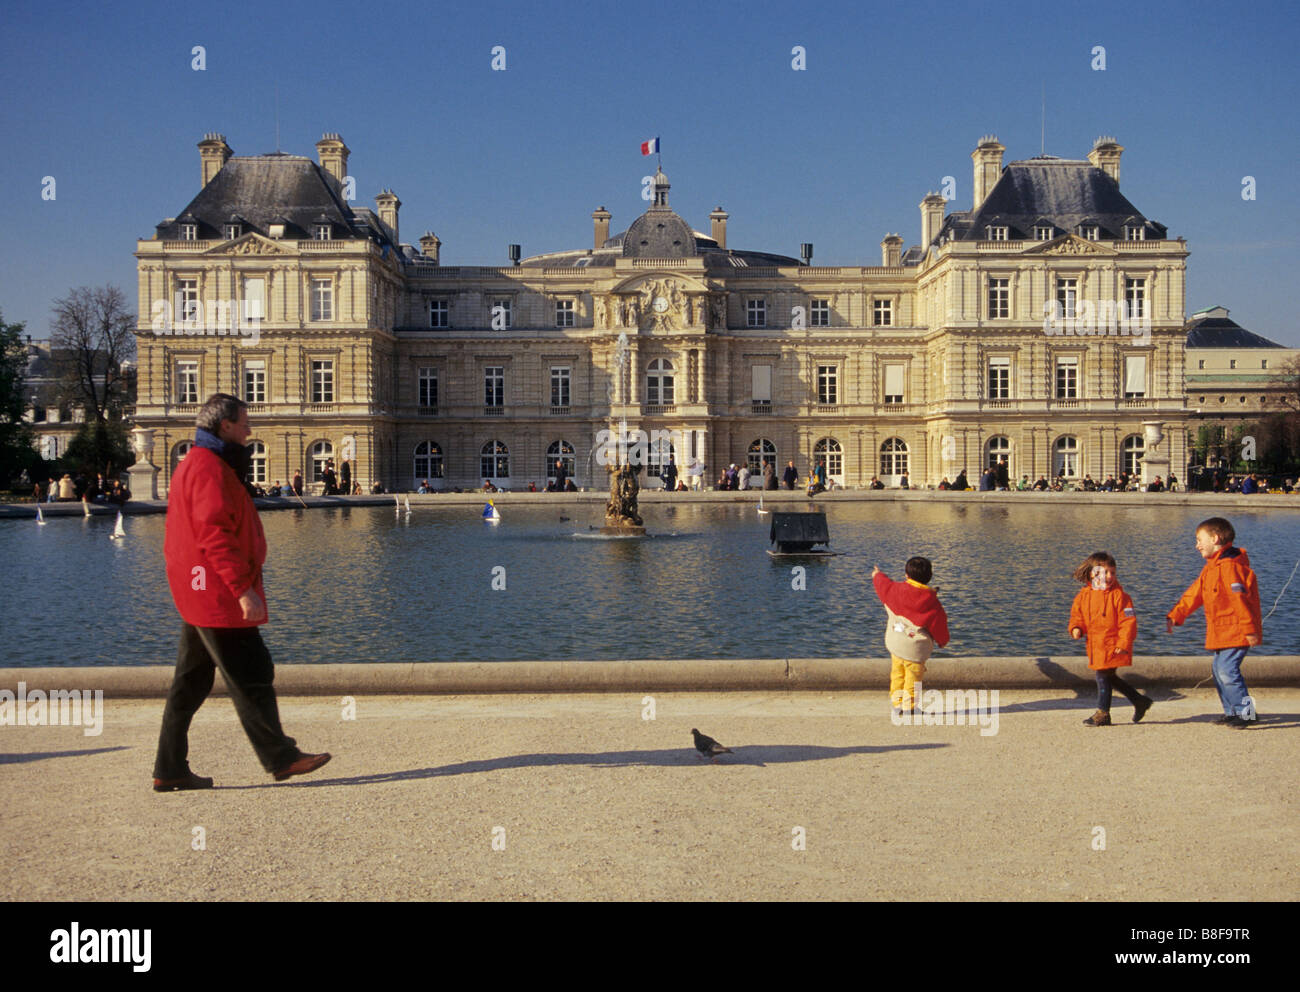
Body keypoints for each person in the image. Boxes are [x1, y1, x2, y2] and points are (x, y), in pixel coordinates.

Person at [153, 394, 331, 791]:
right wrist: (242, 590)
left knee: (190, 684)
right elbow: (214, 534)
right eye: (244, 422)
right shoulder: (208, 467)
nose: (250, 429)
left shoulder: (200, 463)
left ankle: (169, 768)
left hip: (200, 590)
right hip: (217, 594)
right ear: (225, 425)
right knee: (253, 674)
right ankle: (282, 758)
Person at [1165, 517, 1263, 728]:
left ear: (1215, 539)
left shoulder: (1229, 568)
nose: (1196, 545)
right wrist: (1176, 614)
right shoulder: (1212, 568)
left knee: (1227, 671)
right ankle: (1232, 712)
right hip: (1222, 631)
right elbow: (1195, 594)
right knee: (1220, 671)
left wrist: (1250, 630)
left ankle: (1247, 713)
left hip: (1236, 631)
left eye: (1200, 539)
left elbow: (1240, 602)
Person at [1069, 552, 1152, 726]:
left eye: (1112, 573)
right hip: (1096, 644)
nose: (1109, 577)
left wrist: (1123, 643)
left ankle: (1103, 713)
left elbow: (1128, 623)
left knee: (1102, 676)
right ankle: (1139, 700)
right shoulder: (1084, 596)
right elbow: (1078, 616)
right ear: (1092, 574)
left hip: (1113, 644)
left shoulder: (1120, 597)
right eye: (1104, 572)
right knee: (1109, 677)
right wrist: (1076, 628)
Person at [871, 557, 950, 715]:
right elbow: (939, 625)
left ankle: (897, 704)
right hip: (915, 649)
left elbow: (883, 584)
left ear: (906, 575)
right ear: (929, 577)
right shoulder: (931, 602)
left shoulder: (895, 590)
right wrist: (943, 641)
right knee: (913, 679)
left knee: (897, 673)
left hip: (895, 643)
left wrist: (877, 574)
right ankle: (910, 708)